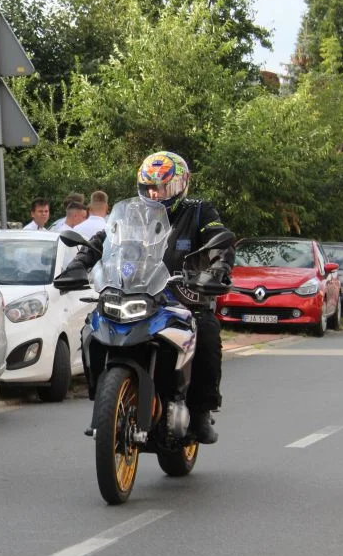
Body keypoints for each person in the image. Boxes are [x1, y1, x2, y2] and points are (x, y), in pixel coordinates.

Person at [60, 151, 233, 443]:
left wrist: (218, 269)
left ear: (181, 184)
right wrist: (79, 264)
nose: (156, 193)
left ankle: (201, 411)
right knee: (93, 323)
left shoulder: (200, 210)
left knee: (206, 330)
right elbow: (105, 240)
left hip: (184, 296)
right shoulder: (134, 213)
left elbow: (219, 240)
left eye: (163, 187)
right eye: (150, 187)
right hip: (138, 291)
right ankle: (104, 397)